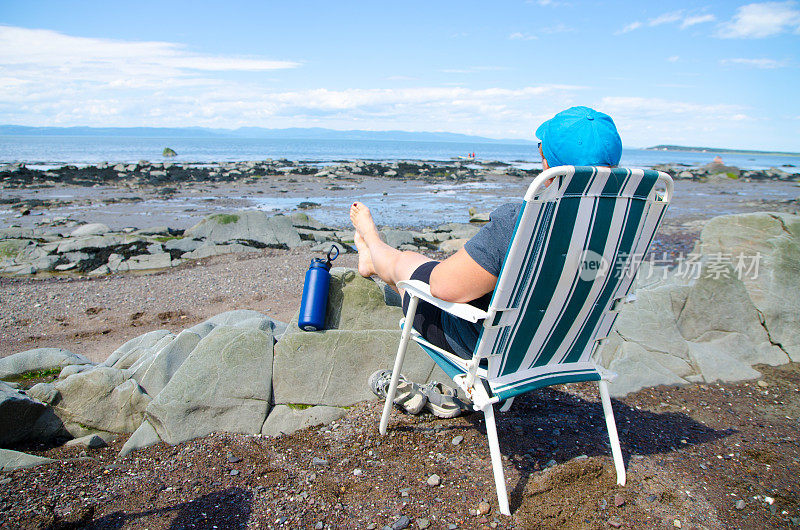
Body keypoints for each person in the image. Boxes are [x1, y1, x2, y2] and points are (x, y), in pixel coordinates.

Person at [350, 106, 623, 360]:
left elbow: (443, 288)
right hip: (566, 347)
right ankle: (374, 257)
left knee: (409, 263)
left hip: (490, 348)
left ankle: (372, 244)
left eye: (543, 154)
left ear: (550, 167)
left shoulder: (523, 221)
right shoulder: (622, 226)